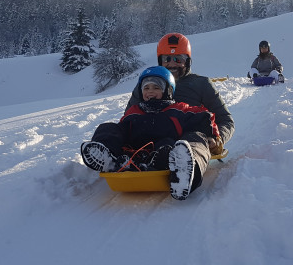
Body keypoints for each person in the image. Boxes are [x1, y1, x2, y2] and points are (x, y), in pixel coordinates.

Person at [81, 66, 218, 200]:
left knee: (196, 137)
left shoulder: (179, 110)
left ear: (168, 90)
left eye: (156, 87)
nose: (150, 91)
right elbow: (121, 131)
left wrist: (211, 136)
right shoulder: (134, 111)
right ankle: (110, 159)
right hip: (134, 155)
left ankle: (186, 173)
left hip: (168, 155)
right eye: (146, 88)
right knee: (108, 127)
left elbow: (205, 117)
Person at [126, 33, 233, 156]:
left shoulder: (201, 84)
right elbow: (129, 117)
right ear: (160, 61)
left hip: (190, 144)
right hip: (149, 142)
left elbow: (226, 120)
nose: (172, 64)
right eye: (167, 59)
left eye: (178, 59)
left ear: (187, 61)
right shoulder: (148, 84)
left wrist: (217, 139)